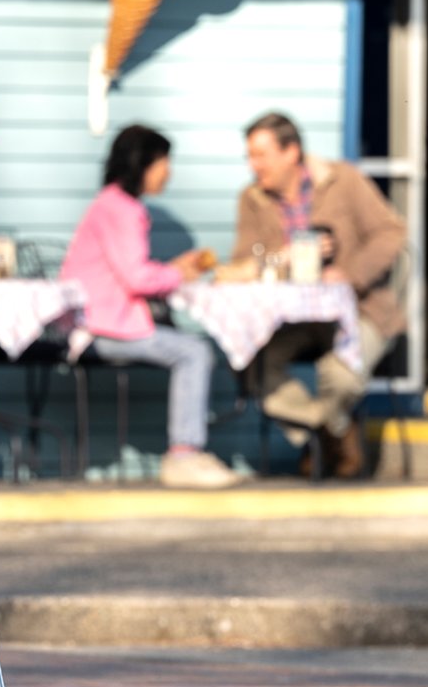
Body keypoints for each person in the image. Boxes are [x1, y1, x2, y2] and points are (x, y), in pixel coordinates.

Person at [59, 124, 242, 489]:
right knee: (194, 352)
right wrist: (179, 272)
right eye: (162, 161)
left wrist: (175, 271)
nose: (168, 170)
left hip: (97, 324)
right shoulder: (122, 208)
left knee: (190, 349)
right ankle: (184, 455)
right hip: (99, 329)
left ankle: (187, 452)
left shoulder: (111, 203)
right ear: (141, 163)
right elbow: (137, 278)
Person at [230, 111, 406, 478]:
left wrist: (351, 274)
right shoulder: (252, 199)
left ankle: (324, 440)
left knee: (339, 376)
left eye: (260, 155)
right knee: (252, 368)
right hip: (289, 319)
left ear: (291, 152)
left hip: (358, 309)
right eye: (250, 156)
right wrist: (283, 259)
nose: (253, 164)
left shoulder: (342, 181)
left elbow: (391, 232)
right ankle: (332, 432)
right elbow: (243, 263)